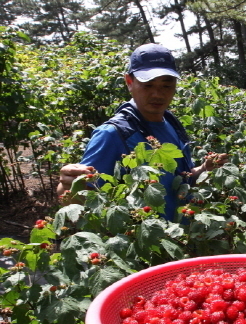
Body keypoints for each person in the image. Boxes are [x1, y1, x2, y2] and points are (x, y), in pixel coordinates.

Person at [56, 43, 227, 222]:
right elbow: (78, 201)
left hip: (182, 237)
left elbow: (180, 179)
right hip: (146, 244)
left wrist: (203, 169)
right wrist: (66, 185)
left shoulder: (171, 123)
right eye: (148, 85)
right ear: (129, 83)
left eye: (166, 86)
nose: (157, 94)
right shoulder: (112, 134)